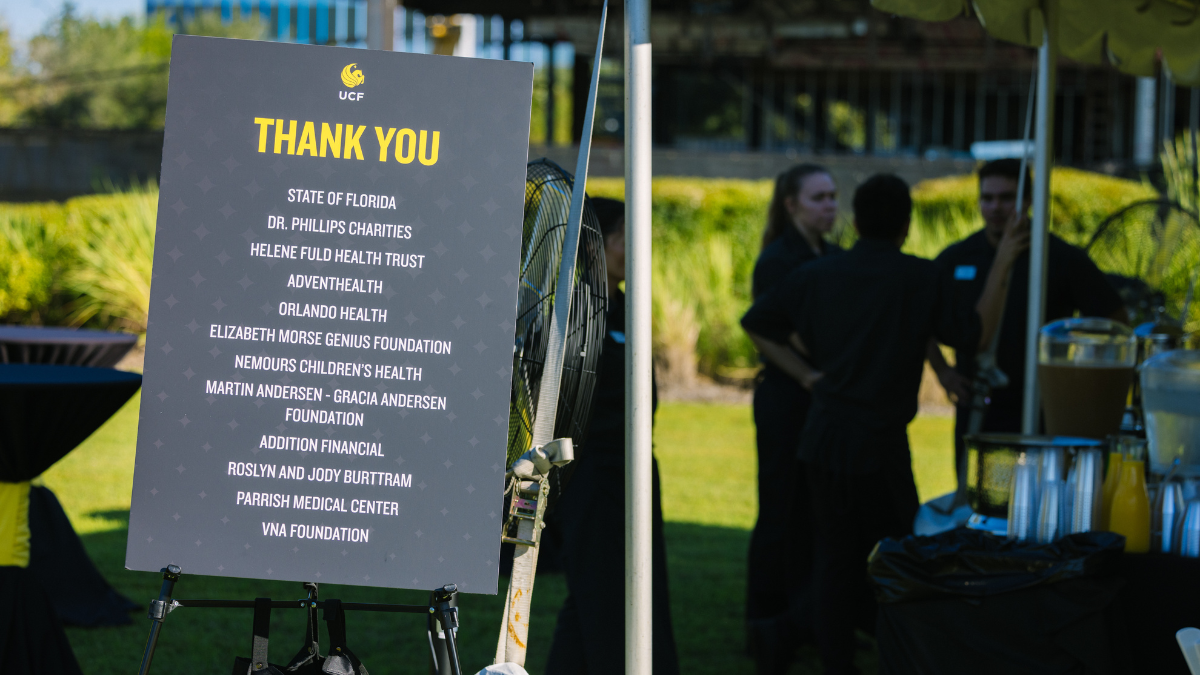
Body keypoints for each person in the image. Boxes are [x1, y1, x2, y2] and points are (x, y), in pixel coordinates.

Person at [742, 174, 1001, 675]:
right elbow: (970, 332)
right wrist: (1004, 263)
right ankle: (882, 651)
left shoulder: (822, 273)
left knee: (835, 558)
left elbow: (758, 322)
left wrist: (808, 375)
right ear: (906, 225)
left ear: (856, 221)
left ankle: (820, 651)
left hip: (826, 439)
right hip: (880, 442)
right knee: (897, 553)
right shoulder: (920, 277)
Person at [545, 197, 681, 675]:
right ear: (599, 245)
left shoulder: (623, 307)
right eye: (628, 236)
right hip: (597, 478)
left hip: (635, 471)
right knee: (603, 594)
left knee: (613, 596)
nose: (639, 247)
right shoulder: (577, 312)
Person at [926, 159, 1126, 481]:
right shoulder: (957, 257)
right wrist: (943, 372)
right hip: (977, 406)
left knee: (1033, 501)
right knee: (975, 501)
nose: (996, 207)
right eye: (987, 198)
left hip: (1041, 408)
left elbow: (1115, 321)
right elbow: (918, 317)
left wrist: (1078, 377)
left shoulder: (1059, 257)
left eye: (1007, 198)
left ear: (1028, 200)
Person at [745, 164, 840, 673]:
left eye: (833, 197)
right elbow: (769, 330)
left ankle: (803, 620)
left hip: (818, 399)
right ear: (792, 204)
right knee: (780, 511)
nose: (830, 206)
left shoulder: (834, 256)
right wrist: (809, 374)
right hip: (787, 399)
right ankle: (764, 624)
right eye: (819, 197)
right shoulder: (778, 260)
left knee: (814, 514)